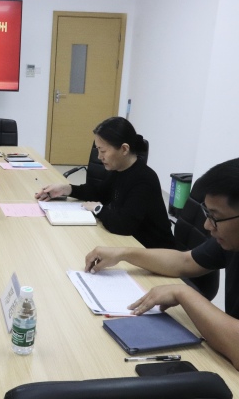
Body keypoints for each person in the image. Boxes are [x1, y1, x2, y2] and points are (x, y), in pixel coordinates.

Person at [85, 157, 239, 369]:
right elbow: (184, 261)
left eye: (215, 217)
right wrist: (124, 253)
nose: (206, 225)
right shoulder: (230, 240)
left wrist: (183, 293)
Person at [35, 117, 174, 249]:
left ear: (124, 149)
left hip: (156, 251)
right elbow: (98, 193)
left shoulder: (144, 179)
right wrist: (66, 189)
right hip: (131, 245)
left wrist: (98, 209)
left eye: (103, 151)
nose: (99, 156)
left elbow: (124, 225)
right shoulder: (119, 169)